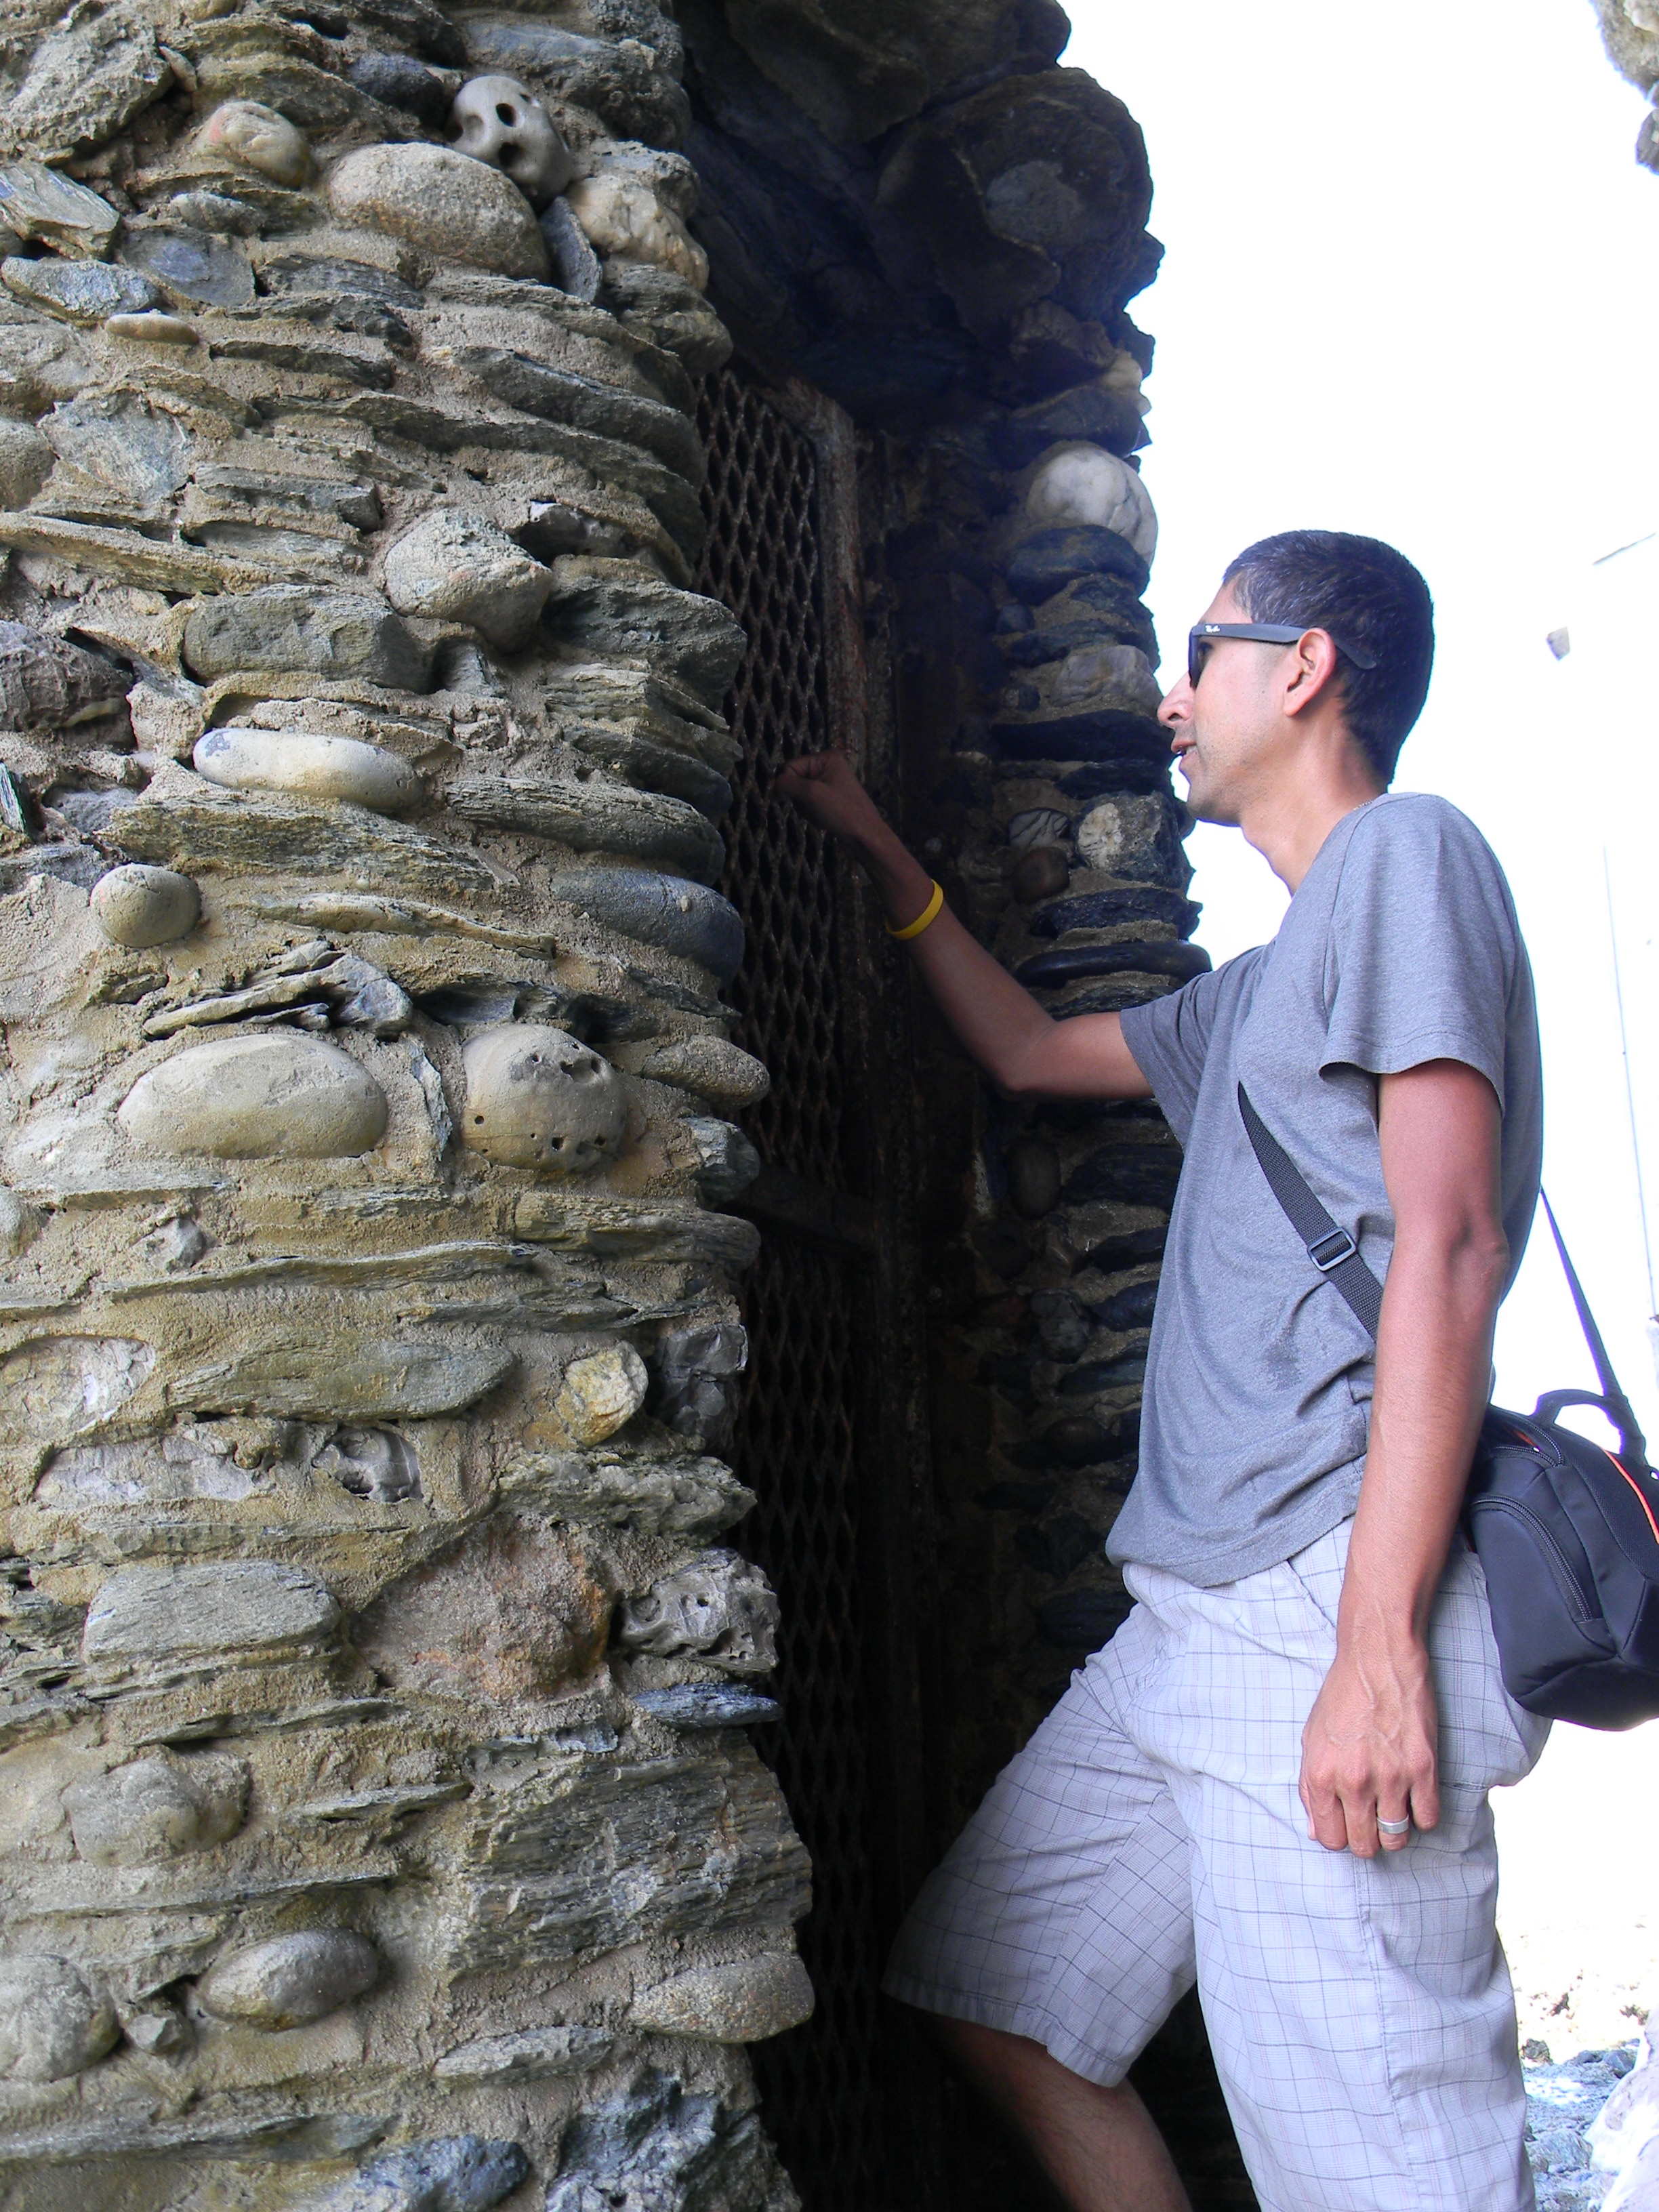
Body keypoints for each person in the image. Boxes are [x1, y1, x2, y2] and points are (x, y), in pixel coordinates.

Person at [775, 530, 1547, 2212]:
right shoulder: (1258, 992)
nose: (1168, 698)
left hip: (1318, 1602)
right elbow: (1030, 1053)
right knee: (1002, 1985)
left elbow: (1452, 1243)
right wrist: (880, 850)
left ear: (1307, 667)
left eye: (1201, 653)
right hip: (1191, 1614)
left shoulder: (1408, 857)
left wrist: (1376, 1655)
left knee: (1383, 2170)